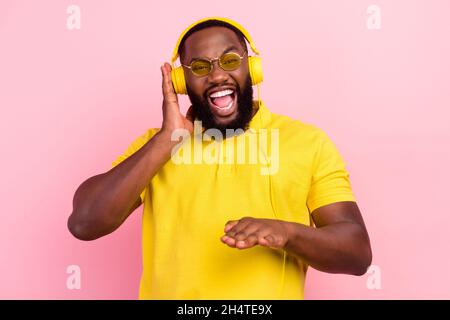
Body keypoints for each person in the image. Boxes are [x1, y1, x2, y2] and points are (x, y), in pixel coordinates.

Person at [68, 17, 372, 299]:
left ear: (252, 69)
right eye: (199, 67)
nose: (216, 75)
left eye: (229, 60)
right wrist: (166, 141)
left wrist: (287, 233)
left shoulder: (307, 142)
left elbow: (356, 253)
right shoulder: (156, 146)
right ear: (180, 81)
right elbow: (85, 223)